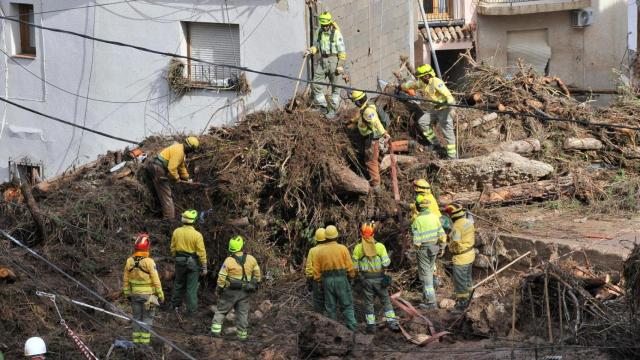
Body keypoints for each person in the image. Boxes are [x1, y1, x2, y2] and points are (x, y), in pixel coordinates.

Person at [400, 64, 457, 159]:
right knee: (423, 122)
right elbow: (413, 85)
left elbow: (449, 96)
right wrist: (401, 86)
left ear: (427, 76)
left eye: (421, 77)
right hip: (435, 109)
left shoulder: (436, 82)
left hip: (445, 110)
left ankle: (452, 156)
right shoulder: (423, 83)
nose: (420, 79)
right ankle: (435, 143)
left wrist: (451, 109)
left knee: (447, 132)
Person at [352, 222, 400, 333]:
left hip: (366, 281)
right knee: (386, 302)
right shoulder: (380, 247)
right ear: (374, 233)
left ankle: (371, 327)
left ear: (361, 233)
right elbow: (386, 264)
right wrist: (389, 257)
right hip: (380, 280)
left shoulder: (358, 248)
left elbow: (354, 267)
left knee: (369, 304)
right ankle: (392, 323)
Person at [211, 236, 262, 340]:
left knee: (221, 311)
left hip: (230, 291)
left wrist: (219, 289)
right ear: (242, 246)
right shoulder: (251, 259)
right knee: (242, 314)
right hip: (245, 292)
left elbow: (221, 277)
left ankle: (215, 334)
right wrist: (255, 283)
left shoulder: (228, 261)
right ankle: (242, 336)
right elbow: (257, 275)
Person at [312, 225, 357, 331]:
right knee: (347, 305)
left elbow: (316, 272)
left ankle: (334, 331)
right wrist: (352, 276)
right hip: (342, 280)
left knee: (330, 308)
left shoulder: (320, 252)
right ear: (336, 236)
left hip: (327, 282)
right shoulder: (343, 249)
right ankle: (353, 329)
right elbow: (350, 267)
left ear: (325, 237)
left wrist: (319, 282)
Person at [304, 11, 347, 119]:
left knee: (336, 89)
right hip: (323, 60)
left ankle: (332, 110)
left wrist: (340, 65)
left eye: (326, 25)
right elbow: (316, 46)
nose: (324, 27)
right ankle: (323, 106)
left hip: (334, 61)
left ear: (329, 23)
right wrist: (311, 50)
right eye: (323, 25)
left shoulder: (336, 33)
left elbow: (342, 51)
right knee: (315, 83)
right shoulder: (319, 31)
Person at [145, 136, 200, 219]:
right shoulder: (179, 152)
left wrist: (187, 178)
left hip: (155, 166)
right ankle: (169, 219)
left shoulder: (180, 150)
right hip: (158, 169)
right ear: (190, 148)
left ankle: (162, 213)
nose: (191, 152)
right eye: (192, 150)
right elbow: (172, 168)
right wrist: (177, 178)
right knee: (166, 195)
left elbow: (181, 167)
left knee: (160, 192)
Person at [350, 90, 391, 191]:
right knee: (372, 158)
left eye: (355, 102)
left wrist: (384, 133)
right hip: (368, 137)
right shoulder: (366, 106)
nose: (355, 104)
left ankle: (376, 185)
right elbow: (361, 117)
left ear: (359, 102)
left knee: (370, 161)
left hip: (371, 139)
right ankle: (379, 170)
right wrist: (353, 121)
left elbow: (375, 122)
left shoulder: (368, 111)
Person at [411, 194, 447, 310]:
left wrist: (416, 252)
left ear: (418, 207)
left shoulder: (417, 221)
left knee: (426, 275)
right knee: (430, 271)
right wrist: (442, 247)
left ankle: (431, 303)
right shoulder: (434, 217)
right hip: (434, 248)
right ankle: (426, 298)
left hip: (423, 250)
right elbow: (442, 235)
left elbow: (416, 242)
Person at [170, 209, 207, 317]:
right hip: (192, 264)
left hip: (179, 261)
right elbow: (201, 252)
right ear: (194, 220)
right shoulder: (197, 235)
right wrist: (204, 267)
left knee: (178, 284)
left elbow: (172, 248)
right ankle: (192, 312)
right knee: (191, 287)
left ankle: (175, 306)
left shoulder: (177, 231)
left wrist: (176, 258)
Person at [442, 203, 476, 313]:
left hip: (461, 258)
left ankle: (462, 305)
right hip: (470, 255)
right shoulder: (468, 222)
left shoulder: (457, 226)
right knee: (467, 280)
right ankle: (470, 300)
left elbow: (455, 243)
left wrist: (448, 241)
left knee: (460, 283)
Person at [305, 228, 327, 313]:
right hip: (328, 279)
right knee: (329, 301)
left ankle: (319, 320)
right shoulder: (330, 249)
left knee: (317, 302)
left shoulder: (312, 251)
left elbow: (309, 267)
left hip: (317, 281)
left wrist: (309, 279)